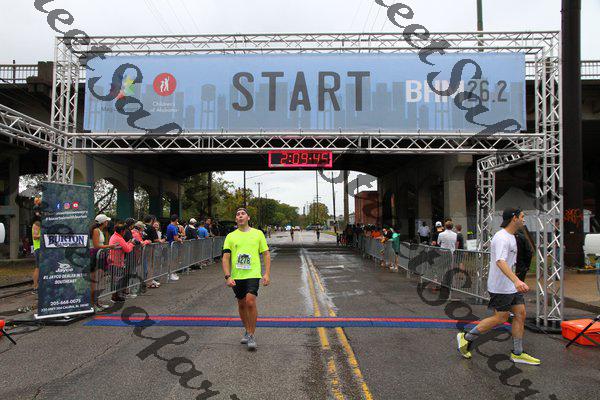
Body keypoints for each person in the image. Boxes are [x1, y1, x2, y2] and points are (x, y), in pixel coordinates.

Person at [457, 208, 540, 365]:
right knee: (501, 318)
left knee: (520, 314)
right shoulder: (501, 237)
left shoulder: (512, 237)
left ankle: (517, 353)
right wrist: (516, 281)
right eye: (522, 216)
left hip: (511, 285)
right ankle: (466, 337)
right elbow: (500, 261)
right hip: (501, 287)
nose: (524, 219)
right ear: (514, 218)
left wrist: (515, 280)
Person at [222, 208, 271, 351]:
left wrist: (267, 274)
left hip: (253, 273)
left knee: (250, 301)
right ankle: (247, 329)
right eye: (238, 214)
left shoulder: (258, 233)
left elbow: (266, 254)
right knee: (241, 304)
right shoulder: (231, 236)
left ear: (248, 217)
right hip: (237, 275)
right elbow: (225, 257)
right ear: (236, 219)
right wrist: (227, 276)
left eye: (243, 214)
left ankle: (251, 334)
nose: (240, 216)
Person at [90, 214, 115, 311]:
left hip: (99, 255)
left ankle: (96, 302)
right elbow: (96, 245)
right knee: (95, 281)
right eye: (106, 221)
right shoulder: (96, 230)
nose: (107, 222)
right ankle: (92, 304)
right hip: (95, 256)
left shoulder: (100, 230)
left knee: (99, 281)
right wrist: (109, 246)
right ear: (103, 222)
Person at [108, 222, 135, 302]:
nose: (125, 233)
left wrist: (127, 243)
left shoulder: (114, 236)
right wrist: (131, 244)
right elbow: (127, 249)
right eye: (124, 231)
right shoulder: (119, 238)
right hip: (116, 262)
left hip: (114, 261)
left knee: (116, 279)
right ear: (122, 231)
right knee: (117, 279)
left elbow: (123, 246)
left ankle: (116, 296)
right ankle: (115, 297)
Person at [143, 215, 163, 289]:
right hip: (149, 248)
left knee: (142, 265)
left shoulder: (142, 227)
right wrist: (161, 240)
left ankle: (144, 281)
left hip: (141, 248)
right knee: (149, 265)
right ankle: (149, 282)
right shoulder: (151, 228)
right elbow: (156, 239)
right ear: (151, 220)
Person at [31, 219, 41, 295]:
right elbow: (35, 237)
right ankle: (35, 287)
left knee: (39, 268)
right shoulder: (36, 225)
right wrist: (44, 235)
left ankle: (37, 286)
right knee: (37, 268)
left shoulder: (39, 225)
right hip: (38, 248)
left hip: (41, 249)